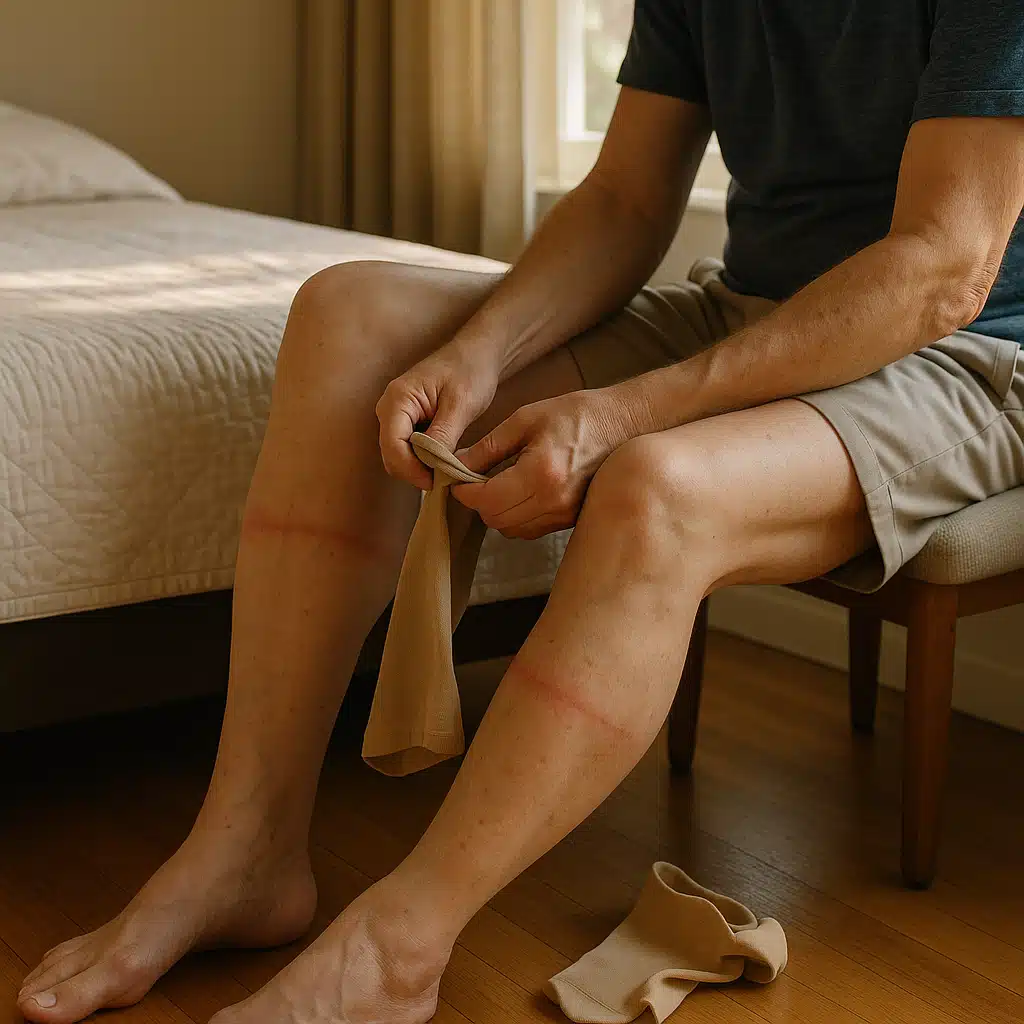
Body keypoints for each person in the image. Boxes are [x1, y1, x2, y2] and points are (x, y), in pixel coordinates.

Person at [17, 2, 1024, 1024]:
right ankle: (243, 851)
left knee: (655, 488)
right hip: (747, 308)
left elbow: (943, 269)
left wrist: (624, 414)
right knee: (346, 317)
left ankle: (398, 949)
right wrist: (478, 353)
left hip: (961, 353)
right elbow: (626, 198)